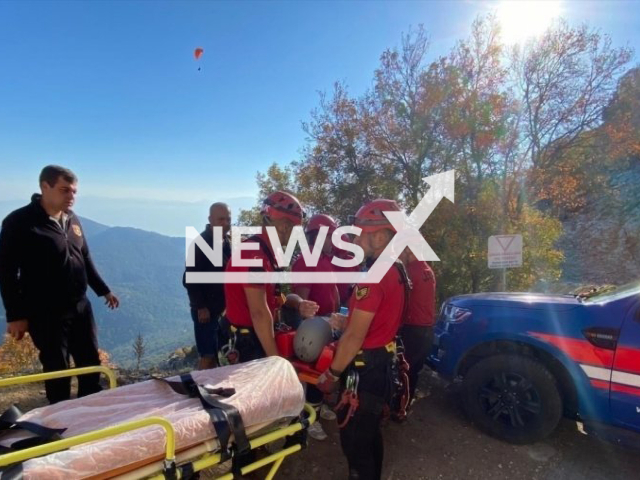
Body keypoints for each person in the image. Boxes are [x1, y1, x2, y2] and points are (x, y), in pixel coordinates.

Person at [0, 165, 119, 404]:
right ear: (45, 187)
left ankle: (91, 410)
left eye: (74, 191)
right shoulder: (20, 222)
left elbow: (84, 257)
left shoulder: (72, 219)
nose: (71, 197)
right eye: (65, 190)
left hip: (79, 306)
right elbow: (6, 272)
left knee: (90, 362)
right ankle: (61, 420)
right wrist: (15, 315)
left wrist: (103, 290)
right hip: (45, 310)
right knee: (58, 366)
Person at [317, 199, 407, 480]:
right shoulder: (397, 270)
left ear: (380, 236)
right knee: (370, 435)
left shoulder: (373, 277)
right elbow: (379, 320)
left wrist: (332, 374)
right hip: (381, 362)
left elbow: (355, 337)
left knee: (355, 444)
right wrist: (350, 320)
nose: (355, 240)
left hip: (364, 370)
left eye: (359, 233)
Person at [219, 191, 318, 363]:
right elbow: (258, 312)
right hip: (245, 341)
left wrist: (298, 303)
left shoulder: (269, 253)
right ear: (285, 226)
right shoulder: (254, 255)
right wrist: (276, 361)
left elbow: (276, 296)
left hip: (254, 336)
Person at [291, 213, 340, 440]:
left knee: (324, 371)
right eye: (331, 237)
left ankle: (318, 409)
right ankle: (309, 417)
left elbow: (332, 291)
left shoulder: (323, 260)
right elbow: (304, 303)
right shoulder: (306, 261)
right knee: (313, 372)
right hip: (315, 326)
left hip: (327, 321)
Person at [183, 202, 232, 369]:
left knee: (220, 355)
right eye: (221, 219)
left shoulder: (228, 243)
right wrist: (200, 307)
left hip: (223, 310)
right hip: (206, 311)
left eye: (228, 219)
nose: (225, 223)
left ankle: (210, 390)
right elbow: (189, 279)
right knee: (208, 356)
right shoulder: (200, 244)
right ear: (210, 219)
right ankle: (199, 390)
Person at [399, 248, 436, 403]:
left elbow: (399, 302)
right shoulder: (427, 269)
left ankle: (397, 407)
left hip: (412, 330)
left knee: (404, 371)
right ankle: (404, 406)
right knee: (414, 372)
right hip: (426, 330)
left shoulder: (409, 271)